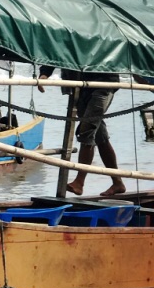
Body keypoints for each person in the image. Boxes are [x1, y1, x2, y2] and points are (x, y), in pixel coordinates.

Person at [38, 67, 125, 197]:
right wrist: (44, 74)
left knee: (87, 131)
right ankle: (117, 182)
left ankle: (79, 182)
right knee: (100, 137)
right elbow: (58, 50)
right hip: (79, 86)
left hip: (102, 84)